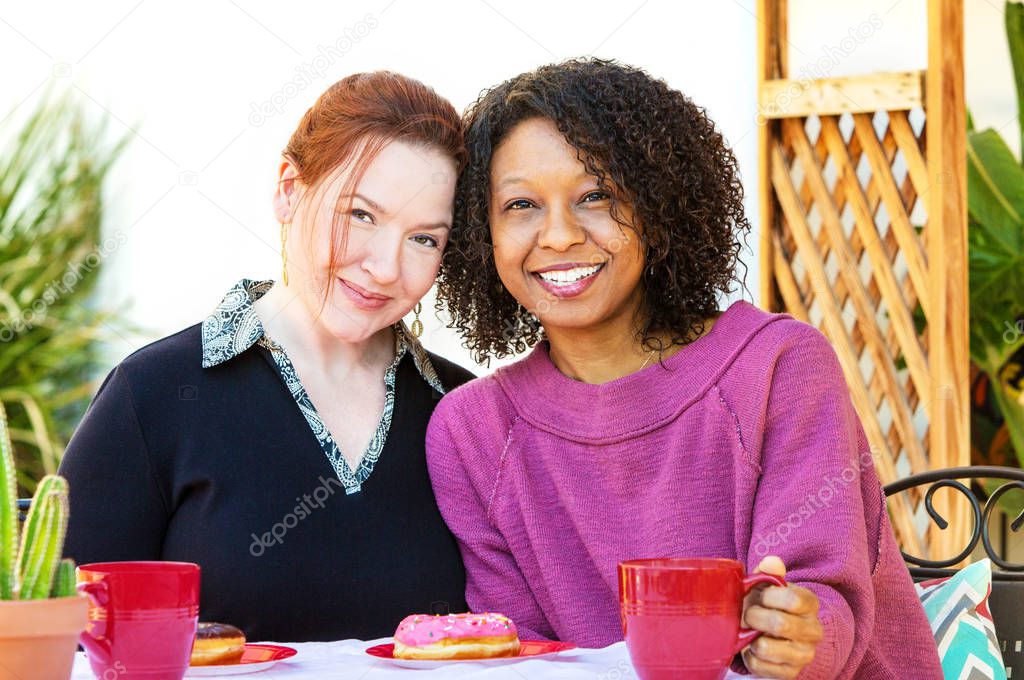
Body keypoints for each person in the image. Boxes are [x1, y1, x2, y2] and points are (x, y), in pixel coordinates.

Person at [427, 58, 942, 679]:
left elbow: (823, 604)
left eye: (596, 195)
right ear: (482, 233)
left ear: (657, 206)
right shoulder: (471, 432)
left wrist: (789, 630)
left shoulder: (778, 366)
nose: (559, 235)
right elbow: (517, 658)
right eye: (520, 205)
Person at [59, 71, 473, 642]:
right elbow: (68, 644)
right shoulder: (153, 395)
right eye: (360, 215)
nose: (385, 267)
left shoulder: (465, 414)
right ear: (289, 189)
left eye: (425, 238)